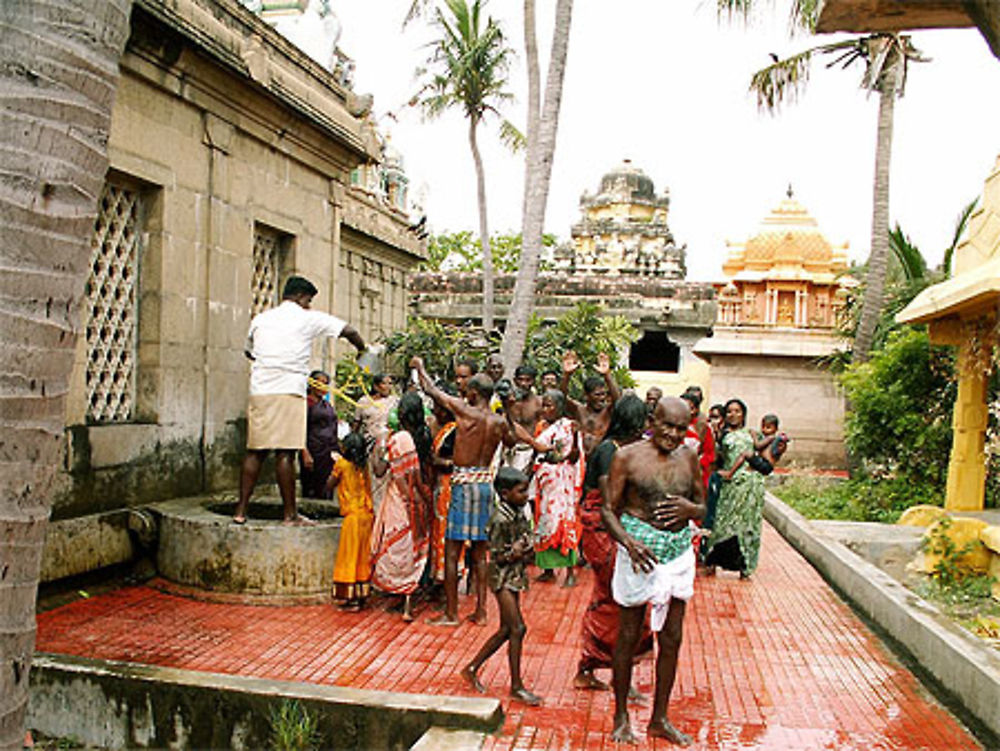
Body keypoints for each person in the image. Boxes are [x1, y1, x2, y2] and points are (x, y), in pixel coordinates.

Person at [601, 396, 705, 745]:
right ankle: (620, 715)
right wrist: (629, 543)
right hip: (638, 554)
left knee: (672, 637)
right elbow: (609, 511)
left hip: (677, 555)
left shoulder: (689, 456)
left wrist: (690, 508)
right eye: (667, 426)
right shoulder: (626, 456)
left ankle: (659, 718)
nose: (674, 435)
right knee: (628, 636)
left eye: (681, 428)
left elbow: (703, 508)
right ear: (651, 420)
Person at [234, 275, 365, 525]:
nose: (309, 306)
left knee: (255, 452)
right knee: (285, 453)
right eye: (309, 301)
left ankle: (240, 512)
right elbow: (350, 331)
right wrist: (362, 350)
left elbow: (249, 352)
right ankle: (290, 515)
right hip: (290, 390)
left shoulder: (260, 319)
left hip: (261, 390)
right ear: (301, 297)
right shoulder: (308, 318)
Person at [411, 356, 510, 627]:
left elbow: (431, 390)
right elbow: (514, 439)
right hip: (485, 487)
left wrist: (420, 366)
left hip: (464, 486)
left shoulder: (466, 412)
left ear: (474, 393)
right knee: (480, 553)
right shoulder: (499, 421)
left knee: (453, 552)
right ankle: (481, 611)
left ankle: (452, 613)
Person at [574, 394, 653, 693]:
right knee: (616, 601)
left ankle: (605, 668)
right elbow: (609, 502)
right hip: (605, 532)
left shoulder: (624, 449)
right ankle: (604, 669)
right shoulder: (610, 451)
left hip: (617, 530)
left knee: (622, 600)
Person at [460, 467, 542, 706]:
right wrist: (516, 551)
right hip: (502, 577)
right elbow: (496, 555)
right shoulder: (500, 518)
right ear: (505, 493)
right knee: (517, 628)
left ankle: (472, 667)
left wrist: (524, 548)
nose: (526, 495)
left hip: (514, 574)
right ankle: (516, 686)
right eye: (521, 491)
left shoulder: (519, 511)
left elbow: (527, 539)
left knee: (508, 629)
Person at [509, 390, 584, 587]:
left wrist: (567, 446)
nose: (545, 409)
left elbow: (568, 456)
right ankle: (548, 570)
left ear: (560, 407)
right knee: (543, 523)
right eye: (544, 405)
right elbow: (537, 453)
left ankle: (569, 573)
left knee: (563, 523)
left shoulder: (568, 427)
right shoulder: (543, 427)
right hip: (544, 483)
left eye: (550, 405)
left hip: (561, 485)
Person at [369, 392, 433, 621]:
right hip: (421, 494)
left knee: (396, 546)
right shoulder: (426, 435)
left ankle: (399, 595)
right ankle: (411, 598)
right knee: (414, 547)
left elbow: (379, 471)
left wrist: (379, 445)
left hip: (399, 497)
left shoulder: (396, 439)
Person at [703, 399, 766, 580]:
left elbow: (765, 457)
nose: (733, 415)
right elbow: (717, 459)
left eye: (737, 411)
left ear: (743, 414)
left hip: (751, 486)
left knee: (748, 526)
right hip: (730, 485)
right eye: (729, 411)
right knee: (722, 523)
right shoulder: (722, 435)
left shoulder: (752, 433)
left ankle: (746, 568)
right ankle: (712, 561)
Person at [328, 432, 373, 610]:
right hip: (366, 515)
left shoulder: (342, 465)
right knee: (363, 556)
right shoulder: (363, 465)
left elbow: (329, 484)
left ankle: (350, 597)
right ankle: (362, 595)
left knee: (349, 557)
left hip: (352, 517)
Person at [561, 350, 620, 458]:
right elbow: (561, 398)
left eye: (604, 394)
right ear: (586, 396)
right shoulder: (578, 410)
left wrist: (607, 375)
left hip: (601, 458)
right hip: (579, 460)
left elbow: (618, 401)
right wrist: (567, 375)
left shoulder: (607, 412)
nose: (602, 398)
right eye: (597, 395)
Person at [354, 373, 398, 510]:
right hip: (370, 447)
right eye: (385, 383)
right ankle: (375, 513)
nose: (388, 387)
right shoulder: (364, 402)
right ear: (376, 386)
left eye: (390, 383)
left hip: (390, 445)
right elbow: (356, 424)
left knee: (389, 481)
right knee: (374, 481)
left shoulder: (395, 401)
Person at [430, 386, 458, 584]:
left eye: (437, 408)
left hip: (449, 486)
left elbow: (454, 461)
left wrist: (435, 461)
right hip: (441, 485)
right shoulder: (442, 429)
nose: (434, 412)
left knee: (445, 532)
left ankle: (446, 579)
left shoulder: (455, 431)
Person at [300, 370, 340, 499]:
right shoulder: (305, 403)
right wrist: (304, 452)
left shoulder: (326, 404)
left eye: (326, 383)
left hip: (328, 451)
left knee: (327, 485)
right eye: (319, 382)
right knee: (312, 486)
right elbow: (299, 428)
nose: (322, 386)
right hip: (313, 450)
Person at [503, 364, 542, 479]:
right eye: (520, 380)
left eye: (527, 380)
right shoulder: (507, 401)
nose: (523, 384)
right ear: (515, 381)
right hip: (507, 450)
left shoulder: (538, 403)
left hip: (528, 450)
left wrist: (534, 456)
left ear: (533, 382)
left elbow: (542, 430)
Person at [724, 413, 789, 477]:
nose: (764, 429)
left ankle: (730, 473)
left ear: (776, 429)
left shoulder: (771, 437)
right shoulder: (766, 437)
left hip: (766, 465)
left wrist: (754, 435)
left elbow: (758, 446)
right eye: (762, 427)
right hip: (764, 463)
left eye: (768, 427)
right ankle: (750, 469)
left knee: (745, 454)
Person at [679, 390, 715, 490]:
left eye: (689, 408)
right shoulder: (672, 426)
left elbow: (710, 453)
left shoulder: (703, 428)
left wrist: (698, 462)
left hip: (696, 474)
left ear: (695, 410)